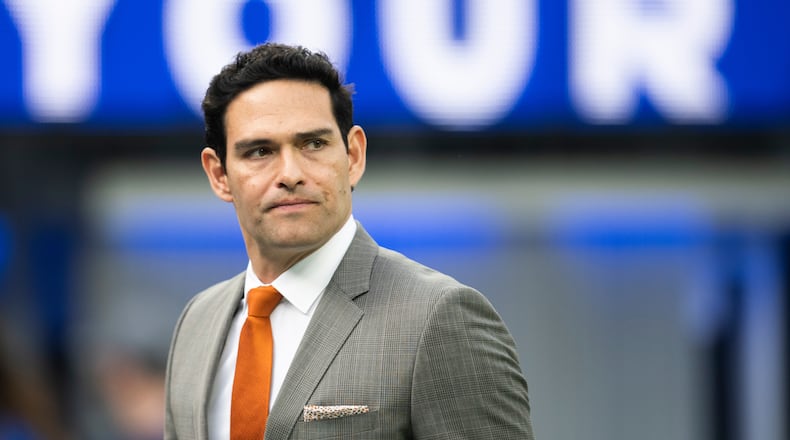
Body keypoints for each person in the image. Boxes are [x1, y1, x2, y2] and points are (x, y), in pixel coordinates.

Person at [164, 42, 535, 439]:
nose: (290, 173)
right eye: (260, 151)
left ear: (353, 155)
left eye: (313, 144)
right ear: (219, 175)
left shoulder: (437, 318)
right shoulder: (197, 322)